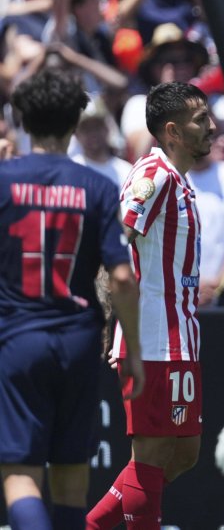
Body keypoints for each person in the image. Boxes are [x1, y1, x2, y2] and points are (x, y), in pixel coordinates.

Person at [0, 69, 143, 530]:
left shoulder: (3, 180)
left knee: (19, 474)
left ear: (21, 118)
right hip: (80, 340)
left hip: (18, 338)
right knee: (71, 478)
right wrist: (134, 351)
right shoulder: (98, 187)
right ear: (76, 119)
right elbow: (122, 277)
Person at [88, 82, 214, 530]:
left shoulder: (178, 178)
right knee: (154, 456)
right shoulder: (153, 175)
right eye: (201, 120)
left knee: (184, 453)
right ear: (173, 131)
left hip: (180, 337)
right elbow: (111, 246)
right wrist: (111, 324)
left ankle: (95, 524)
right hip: (154, 339)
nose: (213, 127)